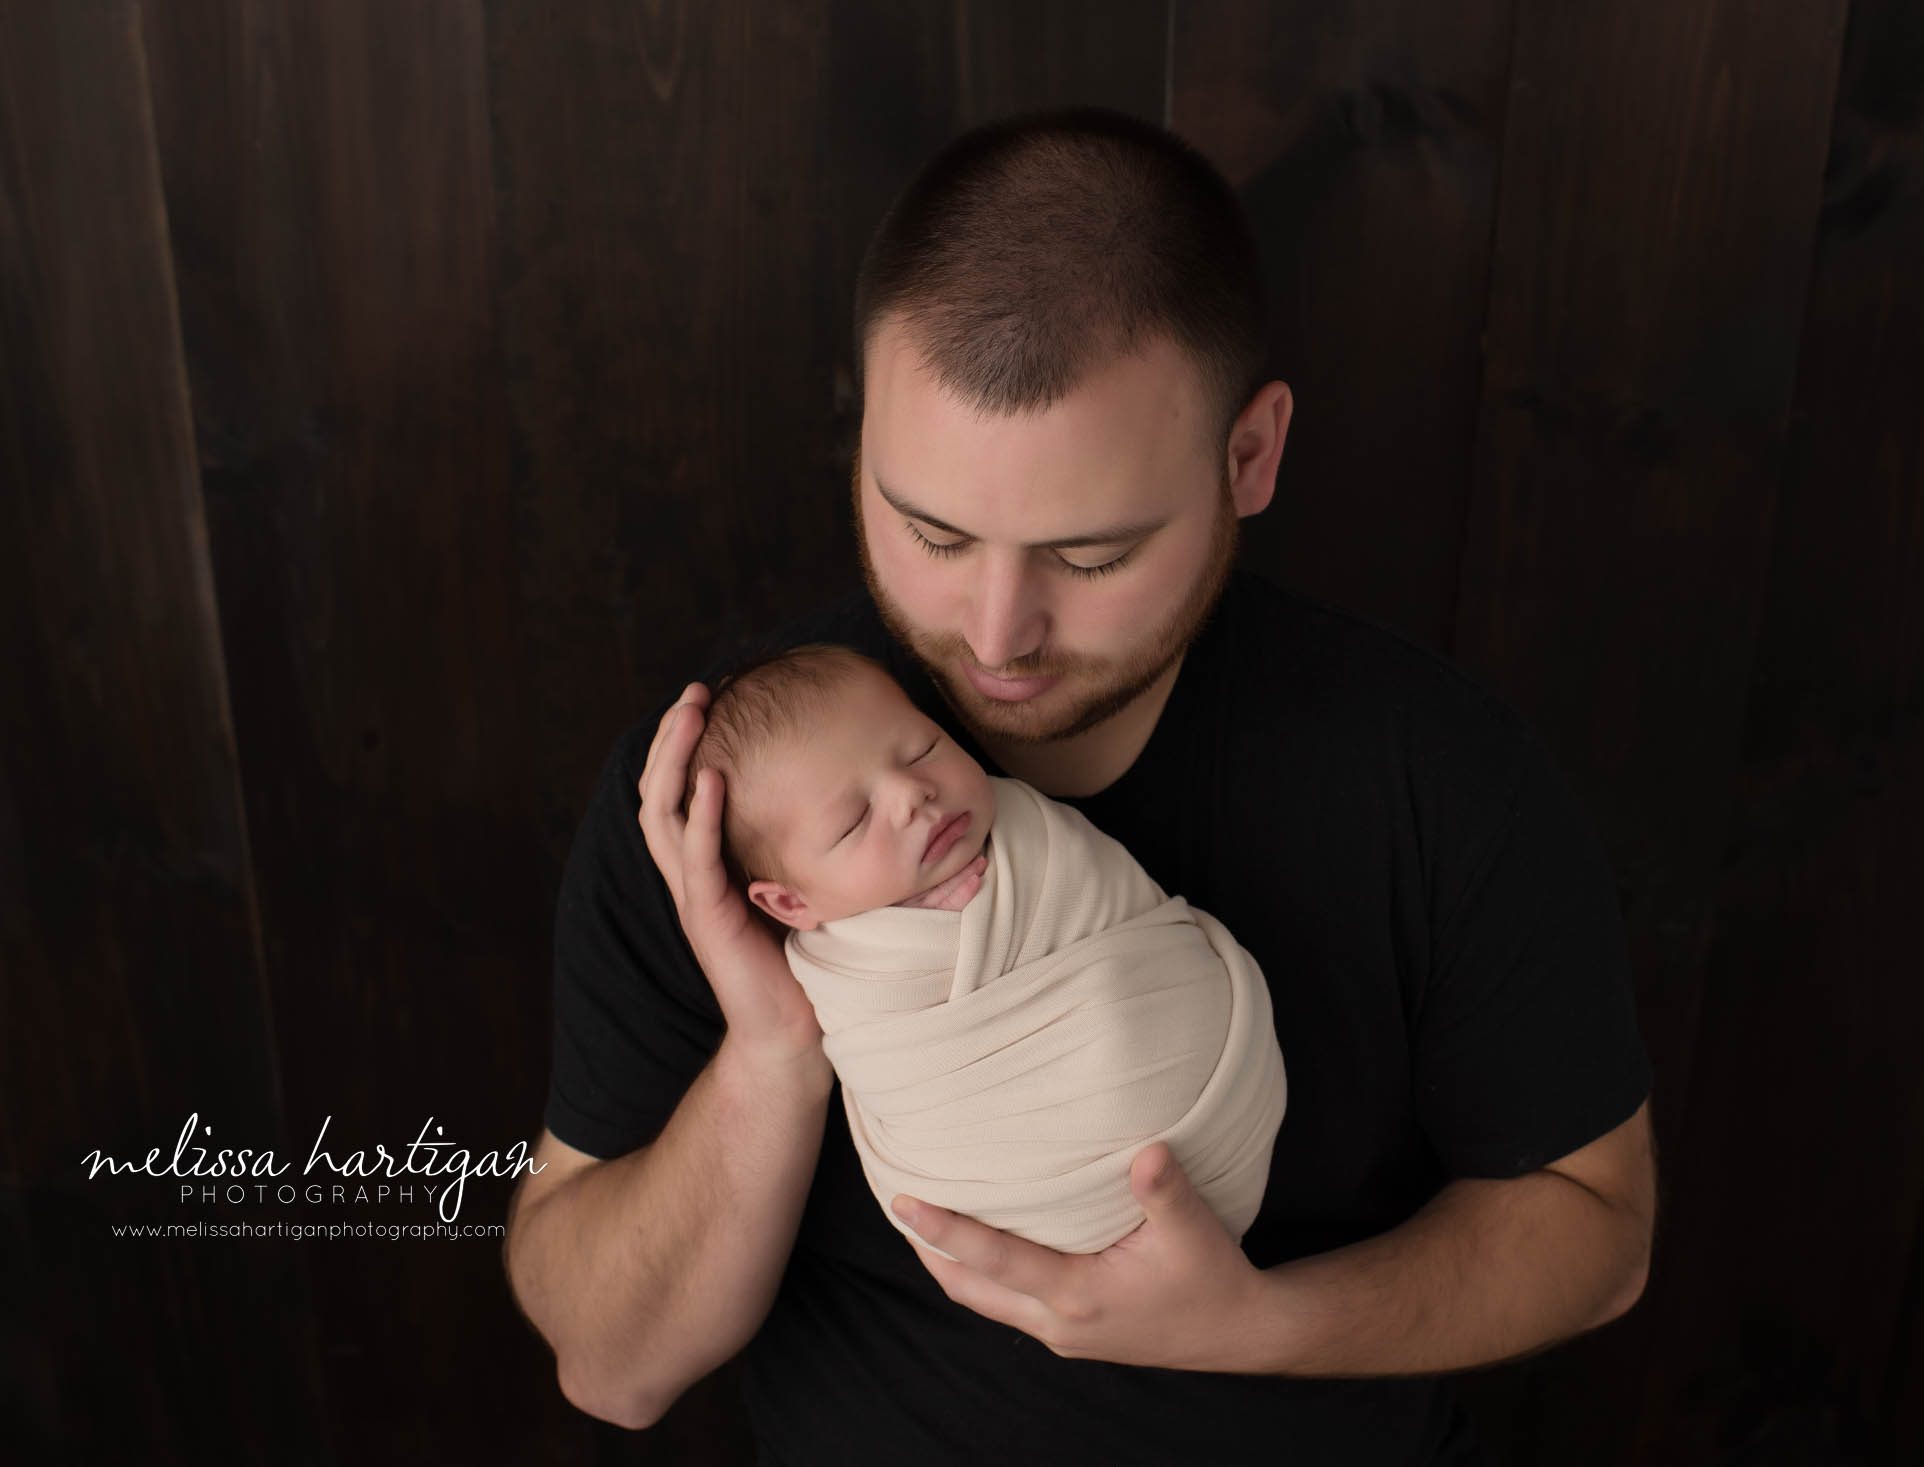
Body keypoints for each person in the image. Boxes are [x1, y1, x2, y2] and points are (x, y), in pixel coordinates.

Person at [503, 105, 1657, 1465]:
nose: (997, 632)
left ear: (1250, 455)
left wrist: (1253, 1321)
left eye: (1091, 554)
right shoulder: (730, 801)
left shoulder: (1435, 775)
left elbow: (1600, 1228)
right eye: (932, 529)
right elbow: (612, 1366)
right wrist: (770, 1049)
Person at [680, 641, 1288, 1258]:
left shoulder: (1028, 827)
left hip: (1212, 1089)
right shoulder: (843, 973)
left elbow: (1100, 890)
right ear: (790, 907)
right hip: (1033, 1202)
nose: (912, 793)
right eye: (854, 821)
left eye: (924, 750)